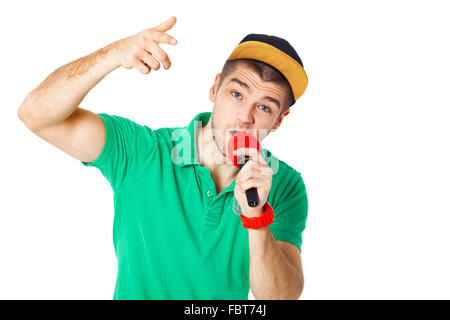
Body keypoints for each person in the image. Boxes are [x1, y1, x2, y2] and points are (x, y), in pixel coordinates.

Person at [17, 16, 309, 300]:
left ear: (279, 121)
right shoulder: (141, 151)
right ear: (214, 88)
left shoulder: (285, 184)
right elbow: (36, 115)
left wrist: (255, 216)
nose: (245, 118)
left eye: (265, 108)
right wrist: (112, 55)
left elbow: (280, 297)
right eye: (236, 94)